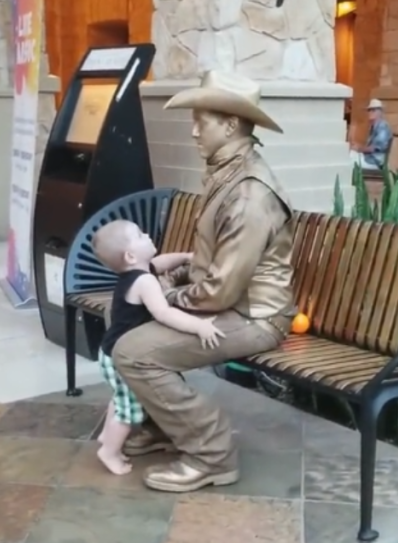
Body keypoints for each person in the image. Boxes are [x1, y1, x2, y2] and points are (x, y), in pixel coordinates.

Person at [113, 70, 297, 493]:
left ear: (231, 126)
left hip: (254, 316)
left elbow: (220, 291)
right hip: (229, 305)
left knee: (134, 352)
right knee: (123, 314)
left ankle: (211, 454)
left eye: (202, 121)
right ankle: (168, 427)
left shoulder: (251, 193)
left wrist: (164, 295)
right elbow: (214, 264)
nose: (194, 131)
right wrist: (170, 278)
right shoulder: (228, 172)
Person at [91, 221, 223, 475]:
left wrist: (185, 257)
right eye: (140, 235)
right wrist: (198, 326)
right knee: (130, 411)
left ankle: (107, 437)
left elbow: (162, 262)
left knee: (120, 398)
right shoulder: (145, 283)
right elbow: (164, 313)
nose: (148, 235)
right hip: (122, 355)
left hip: (110, 350)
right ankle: (109, 452)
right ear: (130, 255)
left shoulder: (139, 272)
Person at [350, 98, 393, 170]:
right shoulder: (374, 126)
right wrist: (357, 146)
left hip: (375, 161)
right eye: (369, 110)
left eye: (373, 110)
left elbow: (375, 148)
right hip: (369, 158)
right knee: (349, 155)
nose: (370, 112)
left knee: (348, 161)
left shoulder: (383, 127)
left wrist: (359, 148)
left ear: (380, 112)